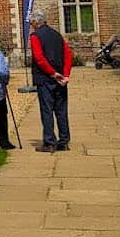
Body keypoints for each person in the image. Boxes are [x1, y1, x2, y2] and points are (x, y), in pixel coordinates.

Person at [30, 10, 73, 152]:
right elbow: (68, 55)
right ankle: (64, 141)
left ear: (35, 22)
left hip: (45, 78)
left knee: (47, 110)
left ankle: (49, 142)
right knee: (61, 110)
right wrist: (65, 75)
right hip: (60, 79)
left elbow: (39, 58)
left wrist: (53, 73)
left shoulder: (35, 36)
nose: (31, 26)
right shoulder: (57, 35)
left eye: (31, 23)